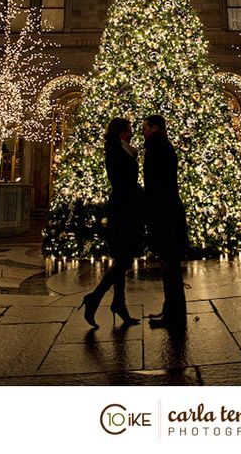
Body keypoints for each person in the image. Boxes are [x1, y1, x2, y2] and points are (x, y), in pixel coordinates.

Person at [79, 117, 144, 329]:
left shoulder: (124, 149)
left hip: (127, 205)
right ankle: (95, 297)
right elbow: (123, 181)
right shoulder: (116, 151)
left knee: (122, 257)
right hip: (124, 207)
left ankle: (119, 304)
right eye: (128, 131)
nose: (131, 133)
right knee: (124, 258)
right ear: (119, 132)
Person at [143, 114, 189, 331]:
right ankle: (170, 309)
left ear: (154, 127)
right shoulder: (162, 145)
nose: (143, 130)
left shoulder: (156, 147)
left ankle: (174, 315)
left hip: (164, 214)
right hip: (168, 211)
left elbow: (155, 183)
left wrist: (149, 209)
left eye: (145, 127)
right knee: (169, 265)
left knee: (170, 266)